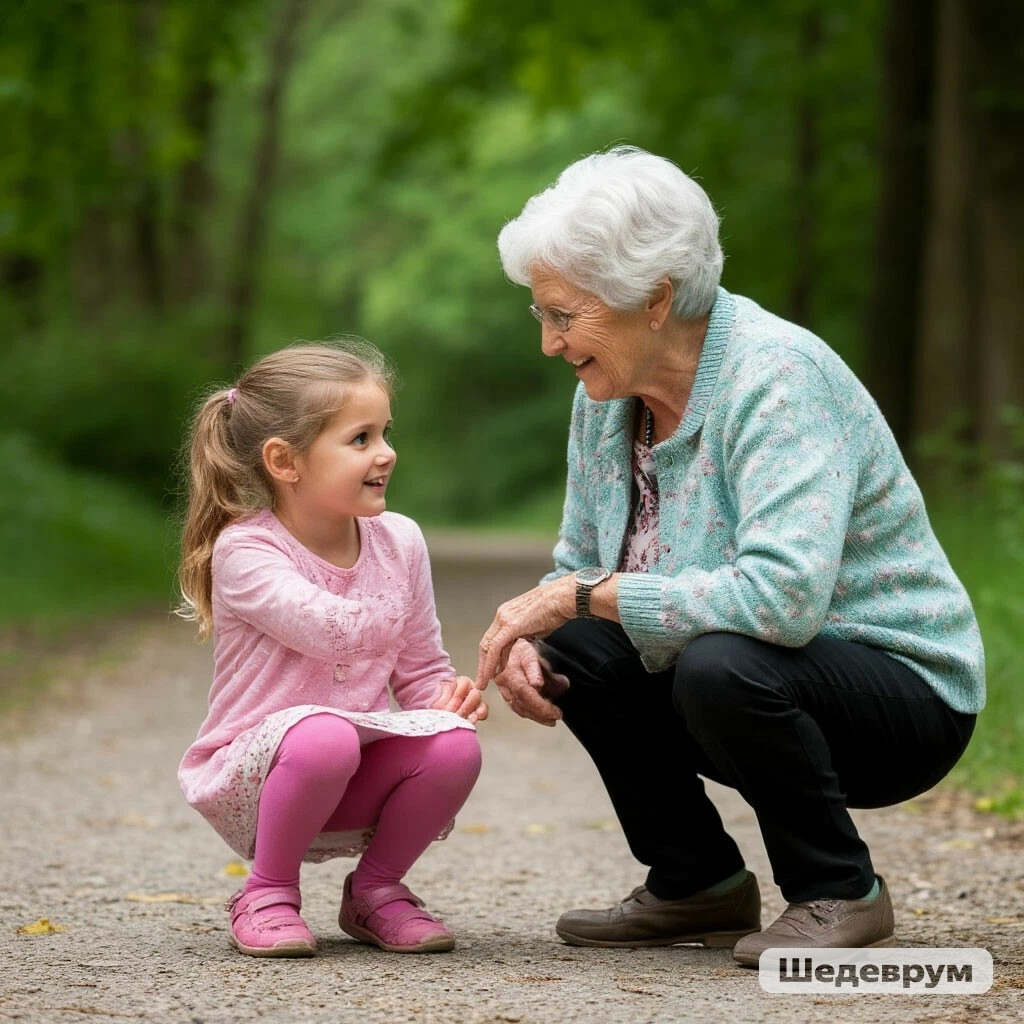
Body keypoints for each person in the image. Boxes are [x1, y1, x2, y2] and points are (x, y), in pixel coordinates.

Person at [475, 146, 984, 967]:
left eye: (563, 315)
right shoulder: (604, 399)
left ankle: (839, 891)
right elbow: (578, 564)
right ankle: (696, 882)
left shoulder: (775, 376)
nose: (548, 342)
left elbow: (782, 602)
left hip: (898, 691)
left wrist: (580, 593)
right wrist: (537, 637)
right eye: (542, 314)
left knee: (719, 660)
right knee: (574, 639)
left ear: (654, 298)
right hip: (747, 670)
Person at [176, 339, 485, 959]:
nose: (386, 453)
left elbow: (421, 667)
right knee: (324, 734)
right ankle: (266, 892)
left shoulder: (398, 541)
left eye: (385, 433)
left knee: (454, 746)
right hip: (260, 782)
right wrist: (394, 604)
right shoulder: (246, 551)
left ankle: (375, 891)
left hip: (353, 771)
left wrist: (444, 702)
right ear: (284, 462)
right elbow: (327, 626)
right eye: (360, 439)